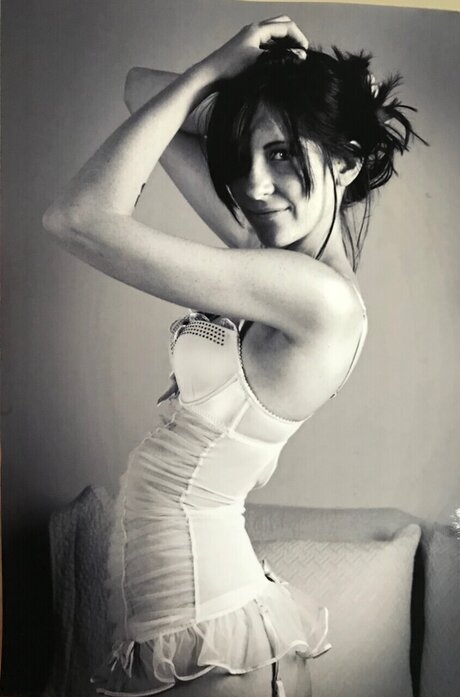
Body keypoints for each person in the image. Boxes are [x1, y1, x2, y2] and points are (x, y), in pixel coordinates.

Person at [42, 15, 421, 697]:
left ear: (346, 162)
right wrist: (244, 72)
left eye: (283, 154)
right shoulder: (270, 256)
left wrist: (222, 67)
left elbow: (77, 218)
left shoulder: (318, 299)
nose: (252, 184)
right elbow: (138, 88)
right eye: (241, 154)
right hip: (189, 607)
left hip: (202, 620)